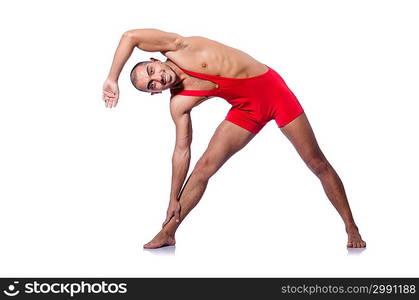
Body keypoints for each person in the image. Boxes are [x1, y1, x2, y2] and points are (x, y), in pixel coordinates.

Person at [102, 28, 366, 249]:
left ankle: (351, 228)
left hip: (274, 92)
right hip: (246, 110)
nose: (157, 79)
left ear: (155, 60)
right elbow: (182, 151)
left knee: (316, 162)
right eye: (152, 85)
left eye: (151, 71)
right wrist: (172, 197)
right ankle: (169, 232)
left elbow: (130, 36)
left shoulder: (180, 47)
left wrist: (112, 79)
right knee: (204, 167)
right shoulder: (179, 103)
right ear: (154, 94)